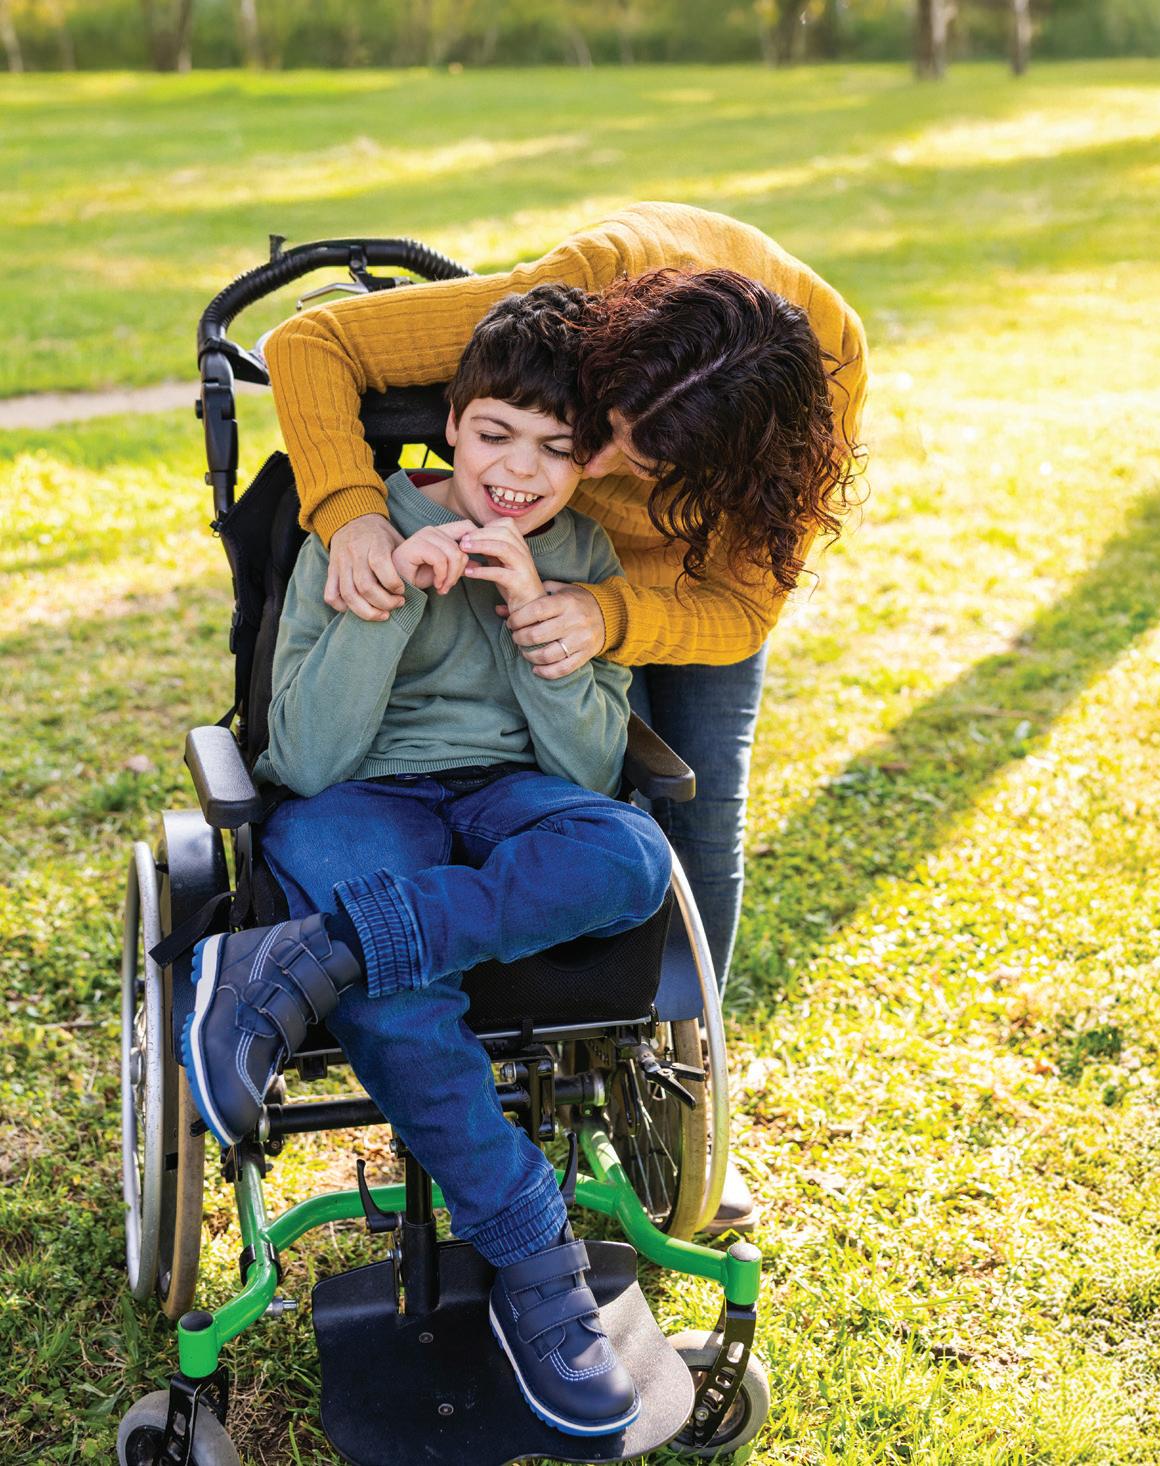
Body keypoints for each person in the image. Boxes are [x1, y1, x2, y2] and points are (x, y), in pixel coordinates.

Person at [264, 200, 869, 1231]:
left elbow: (740, 607)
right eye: (603, 428)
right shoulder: (588, 293)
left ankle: (680, 1103)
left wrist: (604, 613)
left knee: (690, 814)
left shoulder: (817, 395)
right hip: (502, 568)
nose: (591, 467)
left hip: (670, 582)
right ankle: (444, 1026)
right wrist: (355, 518)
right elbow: (312, 343)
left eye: (634, 458)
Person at [181, 285, 672, 1438]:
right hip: (359, 793)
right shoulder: (353, 531)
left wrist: (538, 614)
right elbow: (311, 754)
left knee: (631, 853)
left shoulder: (580, 548)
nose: (520, 470)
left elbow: (587, 763)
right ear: (451, 423)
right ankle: (534, 1258)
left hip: (512, 789)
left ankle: (316, 951)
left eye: (556, 449)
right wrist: (392, 590)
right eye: (495, 433)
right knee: (395, 979)